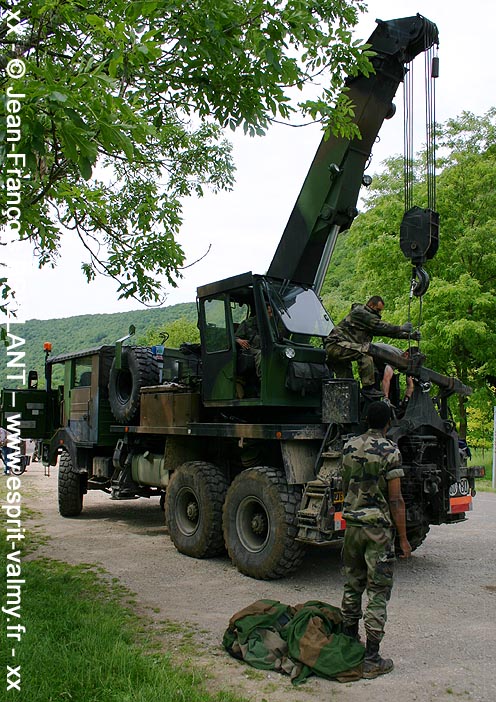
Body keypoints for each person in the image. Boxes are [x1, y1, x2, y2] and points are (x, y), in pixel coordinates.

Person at [340, 401, 411, 679]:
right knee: (378, 592)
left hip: (353, 528)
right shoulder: (390, 450)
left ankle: (347, 643)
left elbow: (346, 484)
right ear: (388, 423)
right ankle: (371, 658)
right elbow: (395, 499)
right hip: (378, 531)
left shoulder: (348, 446)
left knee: (352, 585)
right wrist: (403, 539)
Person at [325, 296, 420, 399]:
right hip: (335, 345)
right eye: (378, 310)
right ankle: (368, 388)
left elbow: (386, 332)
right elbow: (380, 326)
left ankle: (344, 407)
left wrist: (409, 336)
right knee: (365, 353)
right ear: (371, 305)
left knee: (346, 385)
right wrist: (401, 328)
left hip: (342, 348)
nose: (379, 314)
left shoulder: (367, 322)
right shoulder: (361, 313)